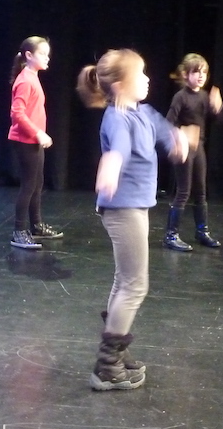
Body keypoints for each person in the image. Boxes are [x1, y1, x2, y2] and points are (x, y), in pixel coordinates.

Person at [77, 49, 187, 390]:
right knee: (135, 285)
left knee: (124, 281)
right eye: (141, 74)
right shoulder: (117, 118)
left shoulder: (144, 112)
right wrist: (111, 165)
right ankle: (107, 366)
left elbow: (168, 133)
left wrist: (179, 141)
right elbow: (119, 148)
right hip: (122, 208)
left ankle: (116, 352)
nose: (148, 79)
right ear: (121, 85)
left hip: (136, 206)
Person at [162, 53, 223, 251]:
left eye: (204, 72)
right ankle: (171, 235)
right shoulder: (180, 97)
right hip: (184, 148)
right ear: (185, 74)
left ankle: (202, 231)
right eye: (196, 72)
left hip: (199, 148)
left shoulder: (204, 96)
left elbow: (218, 120)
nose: (201, 75)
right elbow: (168, 123)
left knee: (201, 191)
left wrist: (217, 107)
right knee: (183, 191)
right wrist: (181, 134)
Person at [8, 36, 61, 250]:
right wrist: (38, 133)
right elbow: (17, 114)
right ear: (29, 55)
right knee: (28, 186)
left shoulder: (32, 77)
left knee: (37, 184)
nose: (47, 58)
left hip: (33, 140)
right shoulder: (25, 81)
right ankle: (19, 231)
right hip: (25, 140)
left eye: (48, 54)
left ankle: (36, 226)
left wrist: (38, 134)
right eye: (43, 54)